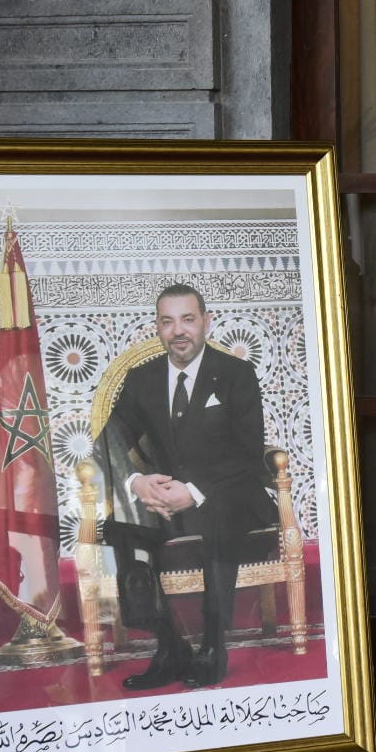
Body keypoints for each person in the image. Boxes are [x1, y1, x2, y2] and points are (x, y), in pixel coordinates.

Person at [100, 283, 276, 691]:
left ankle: (213, 648)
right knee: (124, 524)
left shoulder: (236, 374)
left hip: (229, 494)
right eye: (168, 322)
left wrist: (194, 491)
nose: (178, 330)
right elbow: (108, 440)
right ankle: (169, 646)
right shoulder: (142, 379)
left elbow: (249, 451)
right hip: (167, 500)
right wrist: (138, 483)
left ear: (206, 322)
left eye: (187, 319)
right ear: (158, 328)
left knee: (218, 515)